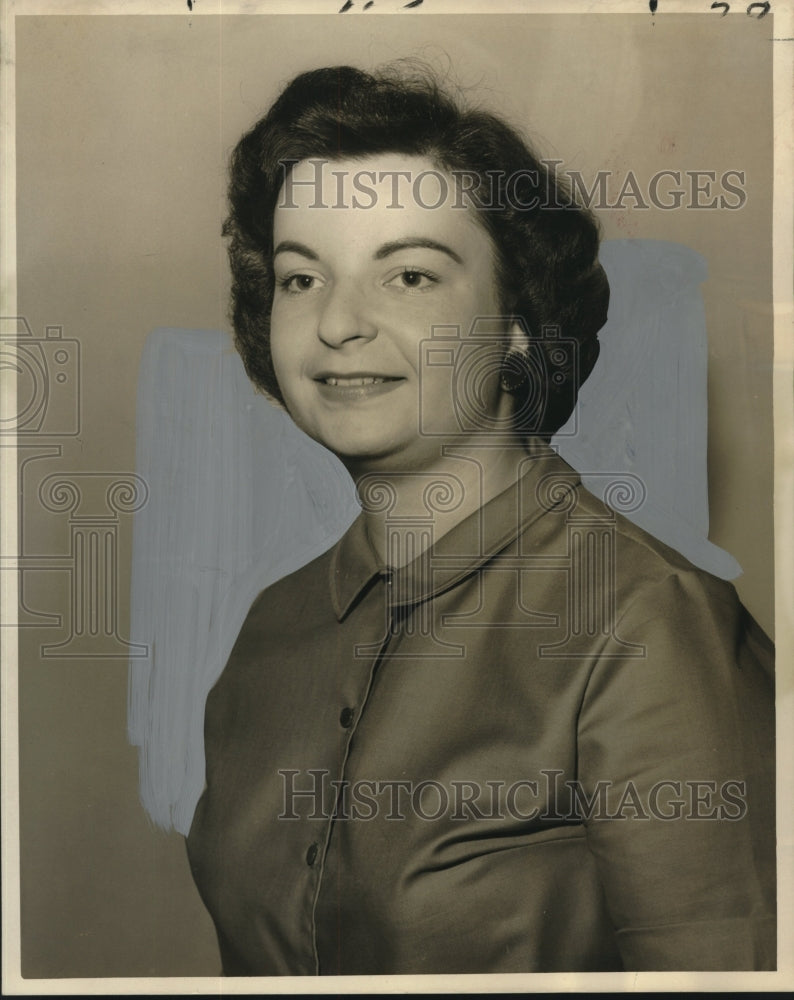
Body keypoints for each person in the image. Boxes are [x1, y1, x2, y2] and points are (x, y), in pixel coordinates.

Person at [185, 64, 776, 975]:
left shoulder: (650, 622)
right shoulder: (272, 624)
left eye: (411, 274)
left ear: (518, 322)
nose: (338, 322)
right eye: (302, 278)